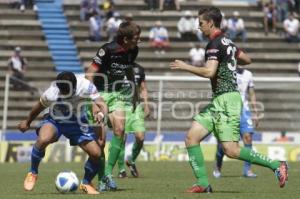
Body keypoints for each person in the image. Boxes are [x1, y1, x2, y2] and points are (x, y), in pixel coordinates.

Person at [169, 6, 288, 193]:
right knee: (191, 137)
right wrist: (230, 58)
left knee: (231, 151)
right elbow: (247, 60)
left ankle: (276, 165)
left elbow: (209, 72)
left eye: (201, 23)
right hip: (220, 100)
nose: (199, 27)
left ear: (210, 22)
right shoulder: (228, 42)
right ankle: (202, 183)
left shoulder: (214, 44)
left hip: (227, 100)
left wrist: (185, 66)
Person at [18, 71, 108, 194]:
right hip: (56, 121)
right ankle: (33, 172)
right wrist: (27, 122)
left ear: (75, 87)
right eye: (63, 91)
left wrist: (101, 114)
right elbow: (38, 107)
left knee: (96, 153)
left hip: (77, 123)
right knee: (43, 139)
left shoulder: (86, 86)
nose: (64, 94)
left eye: (68, 92)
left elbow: (102, 103)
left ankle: (86, 183)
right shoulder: (51, 93)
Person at [85, 21, 141, 191]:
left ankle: (107, 174)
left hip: (118, 94)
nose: (139, 41)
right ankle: (99, 177)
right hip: (99, 94)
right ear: (125, 39)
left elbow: (129, 70)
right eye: (137, 38)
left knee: (120, 130)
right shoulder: (107, 49)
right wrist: (94, 101)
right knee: (100, 143)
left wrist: (135, 94)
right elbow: (89, 74)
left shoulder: (133, 50)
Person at [213, 67, 259, 178]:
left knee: (248, 137)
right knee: (223, 143)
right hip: (228, 110)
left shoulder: (248, 74)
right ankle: (217, 167)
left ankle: (247, 170)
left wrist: (255, 112)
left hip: (244, 110)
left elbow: (251, 93)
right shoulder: (225, 71)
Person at [117, 62, 150, 178]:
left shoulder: (139, 69)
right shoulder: (115, 67)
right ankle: (121, 170)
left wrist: (146, 105)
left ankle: (131, 160)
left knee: (140, 137)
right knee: (121, 139)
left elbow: (143, 88)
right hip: (120, 105)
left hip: (135, 107)